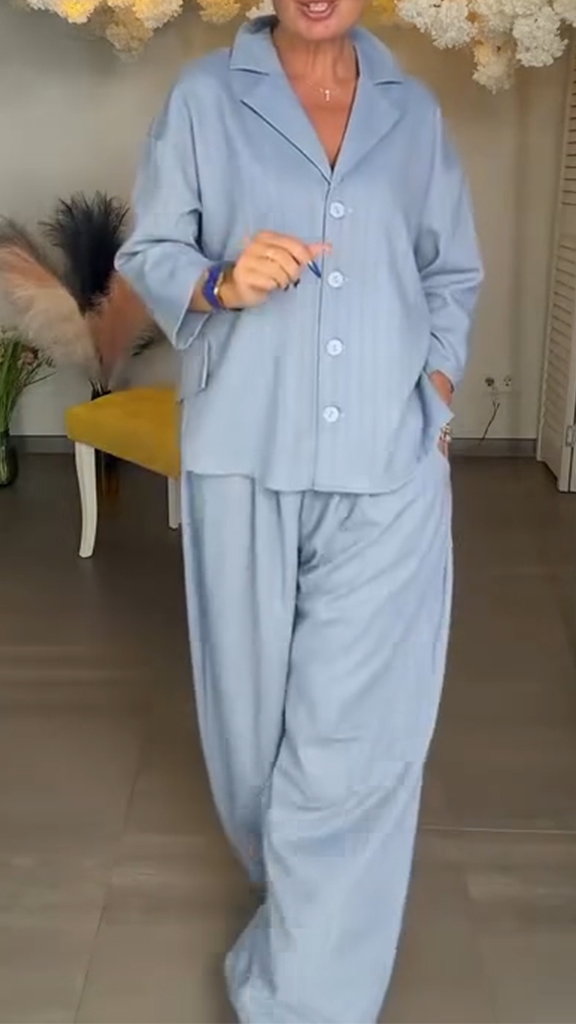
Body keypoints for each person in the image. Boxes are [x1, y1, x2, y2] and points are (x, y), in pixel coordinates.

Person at [117, 1, 483, 1018]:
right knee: (250, 735)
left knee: (350, 747)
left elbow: (450, 269)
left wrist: (435, 388)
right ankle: (303, 901)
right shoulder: (204, 100)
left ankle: (305, 996)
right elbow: (150, 251)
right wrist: (221, 282)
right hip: (245, 450)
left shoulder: (413, 114)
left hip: (388, 461)